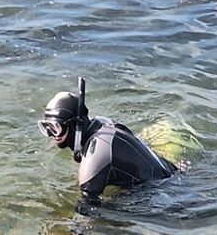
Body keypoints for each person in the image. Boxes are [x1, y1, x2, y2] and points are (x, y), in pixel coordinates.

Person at [39, 79, 177, 212]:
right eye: (46, 127)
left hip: (162, 197)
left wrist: (71, 234)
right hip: (171, 175)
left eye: (55, 127)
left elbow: (88, 210)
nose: (52, 134)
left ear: (76, 123)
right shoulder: (102, 123)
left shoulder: (96, 152)